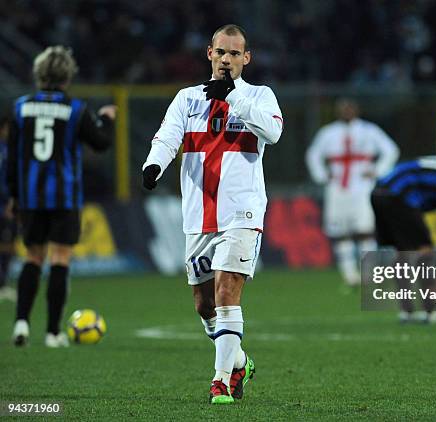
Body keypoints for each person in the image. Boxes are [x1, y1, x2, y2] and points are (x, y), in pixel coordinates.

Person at [141, 24, 282, 404]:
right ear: (209, 53)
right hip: (199, 215)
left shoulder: (259, 96)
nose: (227, 59)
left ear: (246, 58)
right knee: (204, 305)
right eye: (221, 52)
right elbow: (168, 135)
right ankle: (238, 361)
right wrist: (154, 165)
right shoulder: (187, 99)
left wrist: (233, 97)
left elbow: (273, 133)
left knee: (226, 291)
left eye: (235, 54)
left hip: (243, 211)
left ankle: (220, 381)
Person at [8, 46, 116, 347]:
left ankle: (21, 324)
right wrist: (106, 118)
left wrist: (13, 196)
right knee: (59, 259)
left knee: (32, 257)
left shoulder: (20, 108)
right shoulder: (75, 109)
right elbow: (101, 143)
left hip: (30, 196)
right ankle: (54, 332)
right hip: (64, 196)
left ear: (39, 73)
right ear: (67, 76)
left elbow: (12, 158)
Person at [306, 99, 399, 289]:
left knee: (365, 230)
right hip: (337, 185)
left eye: (350, 108)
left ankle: (369, 274)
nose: (346, 111)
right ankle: (349, 275)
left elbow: (391, 150)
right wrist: (322, 175)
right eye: (343, 108)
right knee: (340, 231)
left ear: (357, 110)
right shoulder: (328, 133)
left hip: (361, 184)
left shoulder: (369, 130)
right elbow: (313, 155)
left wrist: (378, 170)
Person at [371, 155, 436, 325]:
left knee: (403, 252)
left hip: (378, 192)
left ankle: (406, 312)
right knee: (424, 250)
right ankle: (433, 310)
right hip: (399, 194)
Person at [0, 111, 17, 302]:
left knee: (8, 244)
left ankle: (3, 283)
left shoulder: (8, 149)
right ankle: (1, 284)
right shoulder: (3, 151)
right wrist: (9, 200)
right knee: (5, 244)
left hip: (6, 203)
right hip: (3, 204)